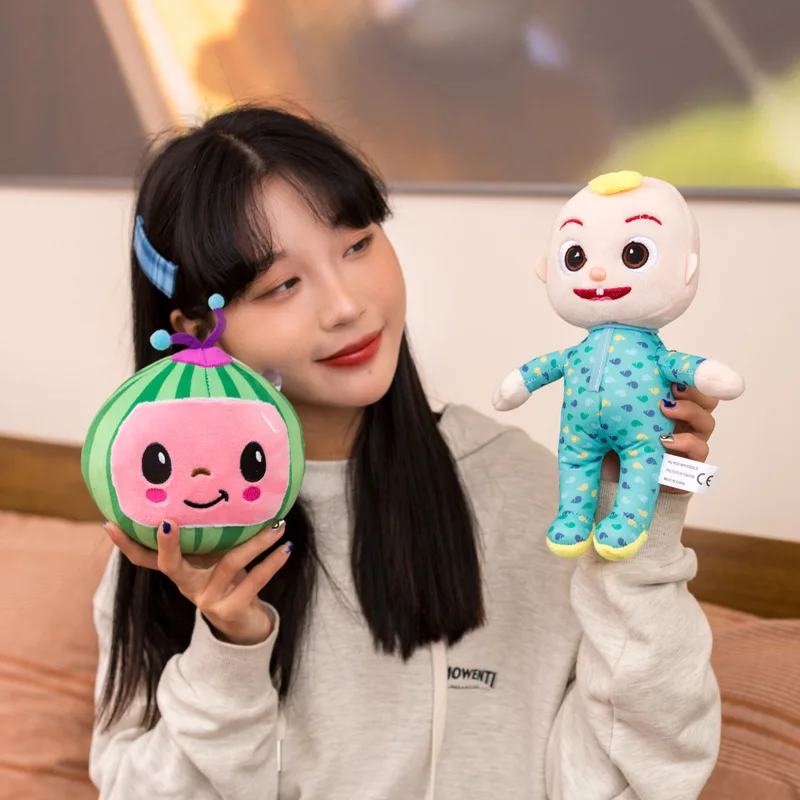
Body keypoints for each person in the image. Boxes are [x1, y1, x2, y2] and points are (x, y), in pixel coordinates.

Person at [89, 105, 721, 800]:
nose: (345, 305)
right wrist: (228, 648)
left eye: (357, 244)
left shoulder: (522, 490)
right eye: (282, 285)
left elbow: (642, 780)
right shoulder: (173, 535)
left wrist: (647, 527)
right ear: (197, 328)